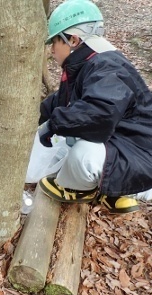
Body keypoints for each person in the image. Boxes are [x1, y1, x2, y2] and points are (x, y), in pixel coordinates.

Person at [37, 0, 152, 214]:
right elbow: (63, 100)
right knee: (75, 141)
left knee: (83, 155)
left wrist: (53, 125)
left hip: (142, 157)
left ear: (72, 39)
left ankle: (81, 190)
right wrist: (38, 117)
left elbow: (99, 114)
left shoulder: (107, 67)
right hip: (127, 145)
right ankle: (113, 192)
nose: (52, 49)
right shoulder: (88, 62)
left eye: (54, 42)